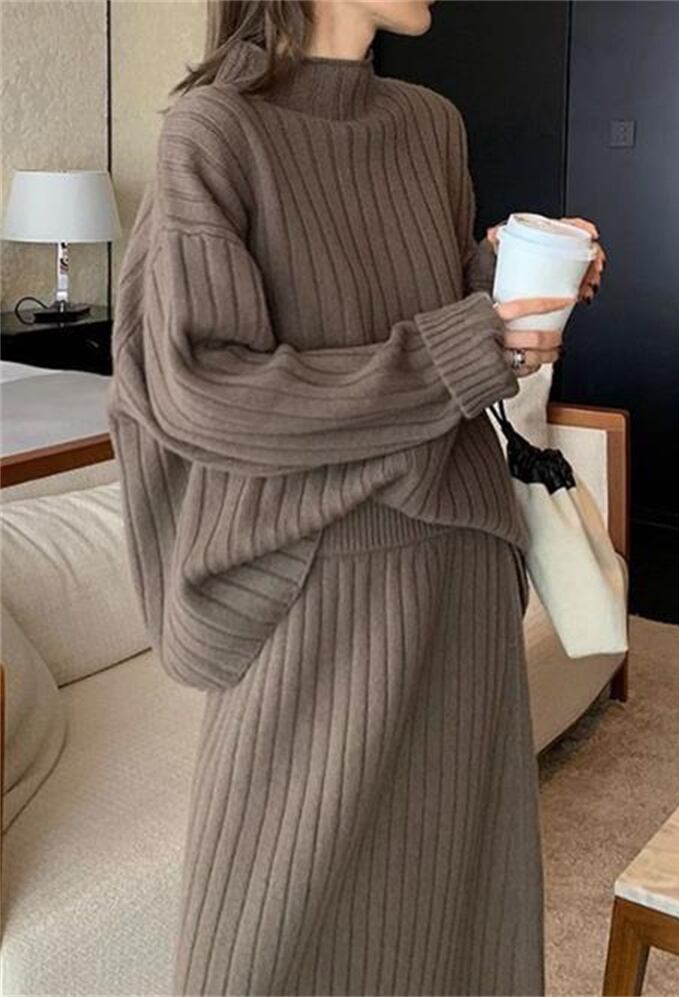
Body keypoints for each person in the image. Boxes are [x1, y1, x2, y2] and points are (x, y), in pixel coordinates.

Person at [107, 1, 605, 994]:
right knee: (252, 948)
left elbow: (418, 313)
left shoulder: (430, 124)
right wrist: (470, 343)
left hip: (461, 563)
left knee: (458, 924)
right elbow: (205, 391)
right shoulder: (216, 130)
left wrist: (504, 284)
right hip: (321, 583)